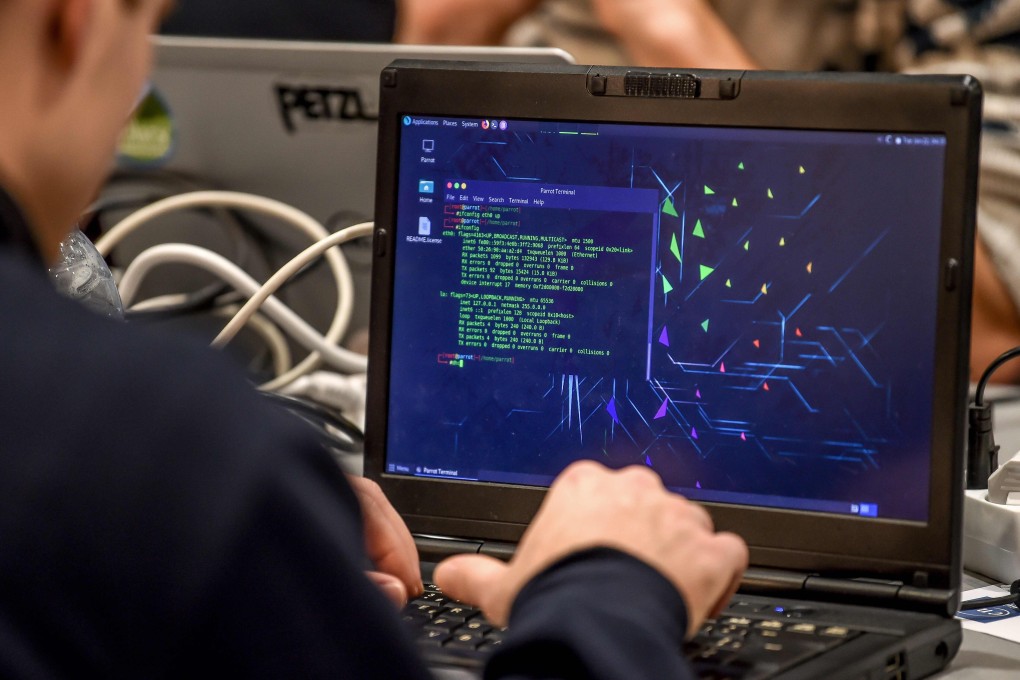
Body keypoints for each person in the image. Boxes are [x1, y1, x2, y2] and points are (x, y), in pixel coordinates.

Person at [0, 1, 748, 677]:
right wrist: (607, 595)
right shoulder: (164, 445)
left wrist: (256, 528)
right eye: (147, 31)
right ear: (78, 22)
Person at [398, 0, 1020, 384]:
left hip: (777, 423)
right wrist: (443, 30)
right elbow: (418, 242)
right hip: (512, 388)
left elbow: (991, 332)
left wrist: (668, 29)